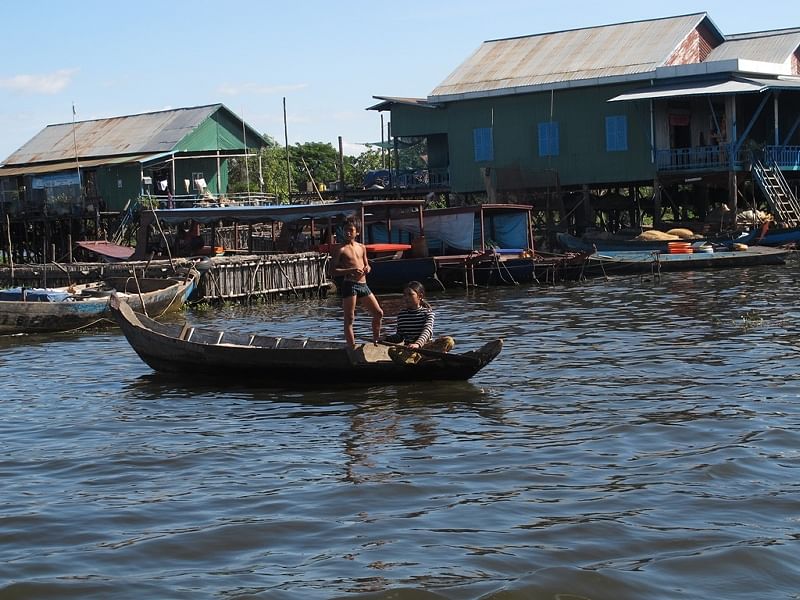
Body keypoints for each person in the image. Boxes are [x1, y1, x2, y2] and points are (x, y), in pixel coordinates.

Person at [330, 217, 383, 347]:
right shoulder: (340, 249)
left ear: (357, 232)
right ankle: (352, 347)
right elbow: (332, 271)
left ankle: (376, 341)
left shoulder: (362, 247)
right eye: (345, 230)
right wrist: (350, 270)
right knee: (350, 318)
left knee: (378, 313)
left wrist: (367, 268)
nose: (347, 233)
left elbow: (367, 264)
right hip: (350, 284)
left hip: (363, 284)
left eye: (350, 230)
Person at [383, 281, 454, 362]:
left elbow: (427, 331)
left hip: (426, 349)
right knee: (392, 351)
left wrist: (417, 344)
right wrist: (385, 338)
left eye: (410, 295)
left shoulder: (428, 313)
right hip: (410, 350)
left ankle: (424, 357)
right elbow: (400, 336)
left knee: (449, 341)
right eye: (405, 295)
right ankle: (420, 358)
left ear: (420, 296)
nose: (406, 298)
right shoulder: (402, 314)